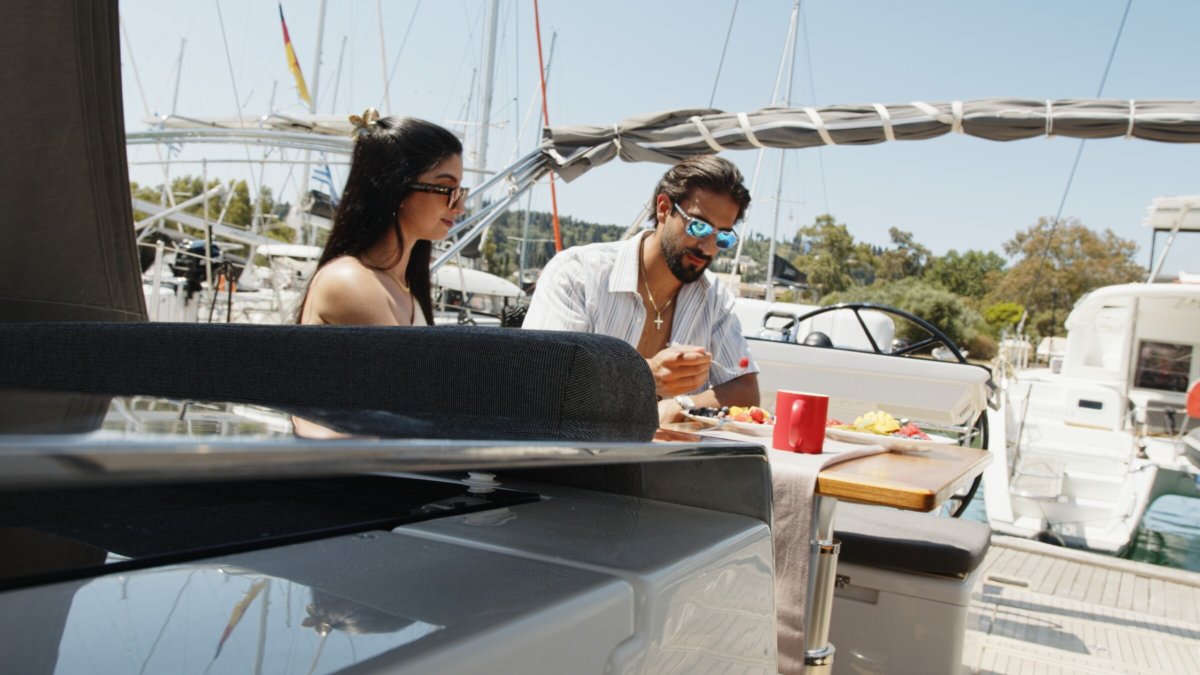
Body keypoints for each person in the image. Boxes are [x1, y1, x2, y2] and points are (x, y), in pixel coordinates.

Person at [523, 154, 759, 423]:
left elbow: (746, 392)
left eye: (723, 236)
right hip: (573, 456)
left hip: (664, 461)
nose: (708, 247)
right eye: (699, 226)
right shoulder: (578, 273)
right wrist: (647, 376)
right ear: (663, 208)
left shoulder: (714, 297)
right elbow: (544, 380)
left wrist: (680, 405)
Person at [297, 108, 468, 326]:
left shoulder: (402, 287)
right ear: (397, 188)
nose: (460, 207)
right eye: (447, 190)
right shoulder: (350, 281)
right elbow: (411, 361)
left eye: (460, 191)